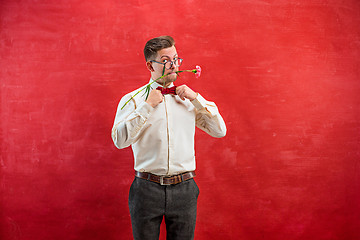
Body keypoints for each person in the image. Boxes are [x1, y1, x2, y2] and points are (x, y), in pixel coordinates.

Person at [111, 35, 226, 240]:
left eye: (176, 59)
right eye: (165, 61)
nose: (173, 65)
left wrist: (197, 99)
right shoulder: (133, 100)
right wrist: (147, 107)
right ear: (150, 65)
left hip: (185, 189)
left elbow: (219, 131)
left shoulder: (188, 100)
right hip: (146, 189)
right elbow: (120, 141)